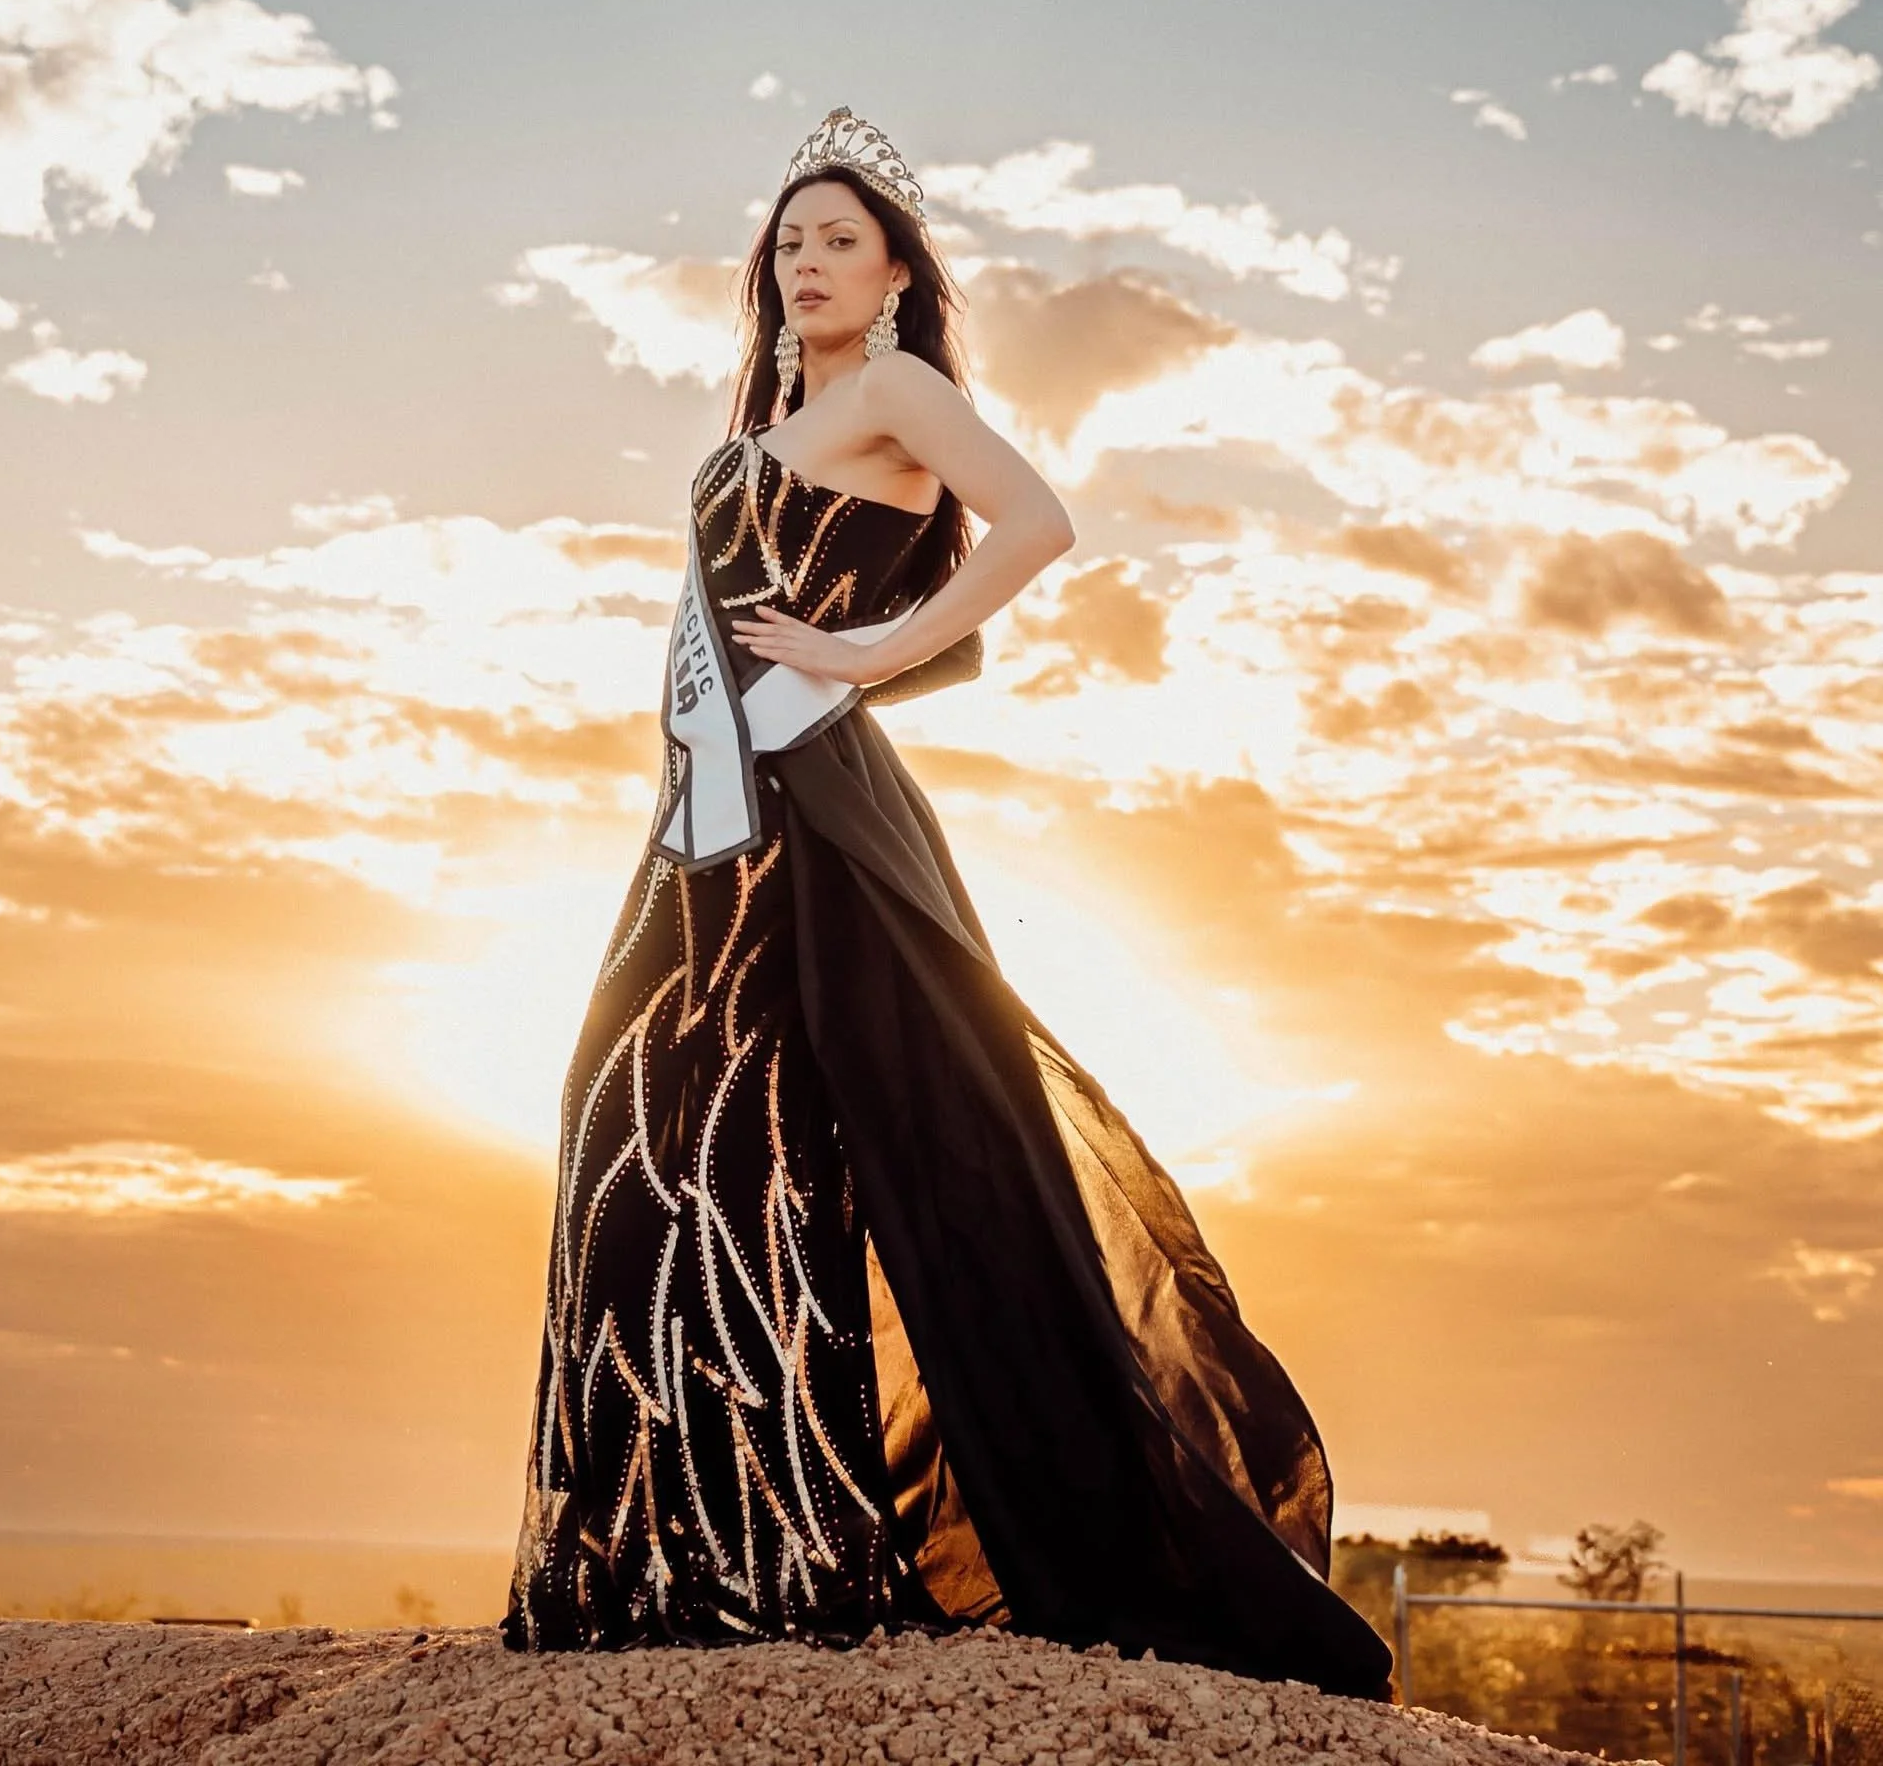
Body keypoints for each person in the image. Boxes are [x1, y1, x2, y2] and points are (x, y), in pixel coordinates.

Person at [500, 106, 1395, 1702]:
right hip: (709, 826)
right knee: (653, 1136)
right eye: (788, 241)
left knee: (748, 1153)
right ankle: (697, 1547)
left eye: (839, 240)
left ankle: (780, 1553)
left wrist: (860, 654)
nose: (806, 262)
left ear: (898, 273)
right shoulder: (778, 416)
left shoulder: (900, 393)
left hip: (808, 822)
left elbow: (1039, 524)